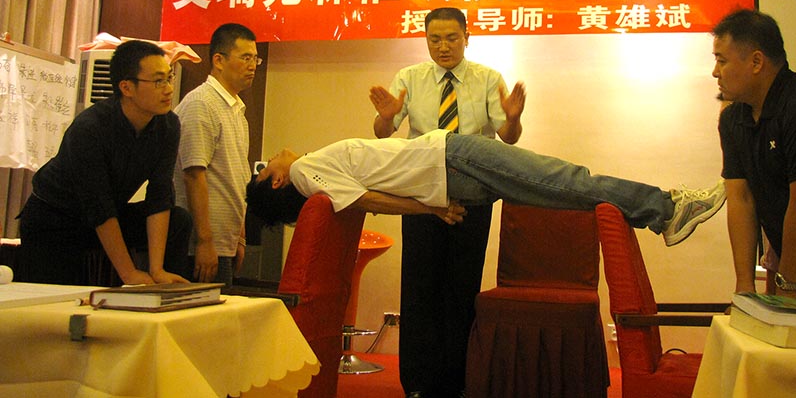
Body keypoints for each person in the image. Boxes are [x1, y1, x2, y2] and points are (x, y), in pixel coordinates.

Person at [369, 7, 525, 398]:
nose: (443, 47)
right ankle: (417, 384)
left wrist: (512, 119)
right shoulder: (410, 78)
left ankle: (458, 382)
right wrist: (385, 118)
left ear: (467, 37)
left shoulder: (488, 78)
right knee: (419, 287)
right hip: (422, 192)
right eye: (434, 39)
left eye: (452, 38)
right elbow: (384, 132)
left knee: (462, 287)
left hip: (473, 193)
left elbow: (508, 137)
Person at [251, 130, 725, 248]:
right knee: (566, 181)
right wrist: (430, 210)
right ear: (275, 180)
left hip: (450, 169)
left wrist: (431, 206)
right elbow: (367, 200)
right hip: (452, 158)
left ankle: (660, 213)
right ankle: (665, 208)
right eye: (263, 167)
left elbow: (365, 197)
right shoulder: (304, 170)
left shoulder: (312, 173)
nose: (272, 156)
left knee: (564, 191)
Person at [17, 40, 191, 285]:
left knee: (179, 220)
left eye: (169, 78)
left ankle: (170, 295)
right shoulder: (90, 128)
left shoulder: (168, 125)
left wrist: (157, 269)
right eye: (158, 81)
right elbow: (99, 205)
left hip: (105, 213)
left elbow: (159, 194)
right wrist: (129, 274)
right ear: (127, 87)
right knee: (62, 300)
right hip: (55, 219)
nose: (169, 89)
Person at [713, 8, 796, 301]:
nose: (715, 72)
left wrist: (788, 286)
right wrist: (745, 288)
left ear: (756, 61)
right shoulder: (733, 119)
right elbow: (741, 199)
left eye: (722, 60)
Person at [173, 23, 258, 285]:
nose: (252, 66)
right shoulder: (201, 103)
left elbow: (236, 180)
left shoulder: (236, 110)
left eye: (255, 59)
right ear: (219, 61)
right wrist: (204, 241)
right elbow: (194, 174)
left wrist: (239, 238)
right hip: (198, 245)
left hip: (225, 242)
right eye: (245, 58)